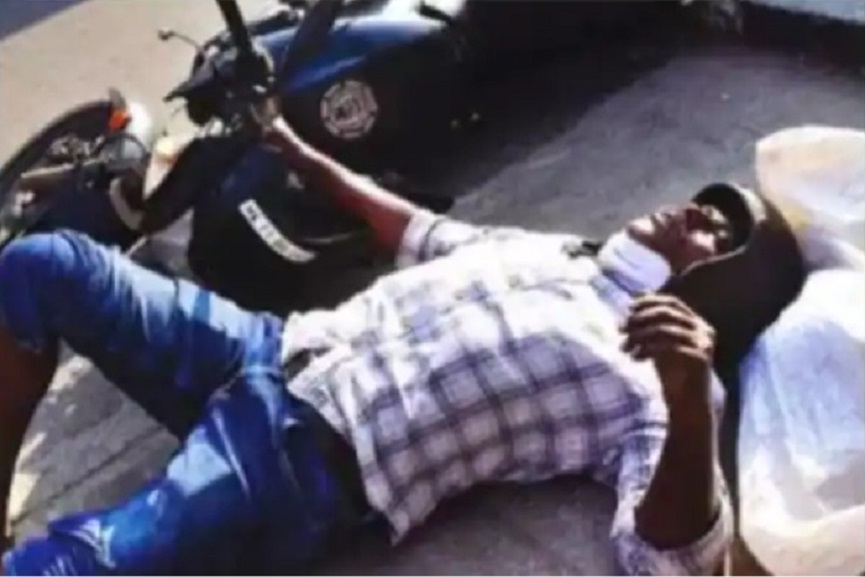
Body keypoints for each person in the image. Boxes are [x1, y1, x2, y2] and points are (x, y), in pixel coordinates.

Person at [0, 113, 805, 576]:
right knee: (43, 265)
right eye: (702, 203)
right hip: (264, 347)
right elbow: (419, 231)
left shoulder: (663, 380)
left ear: (726, 286)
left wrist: (689, 399)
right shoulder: (562, 251)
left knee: (68, 567)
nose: (692, 211)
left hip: (304, 457)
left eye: (715, 230)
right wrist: (305, 155)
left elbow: (672, 561)